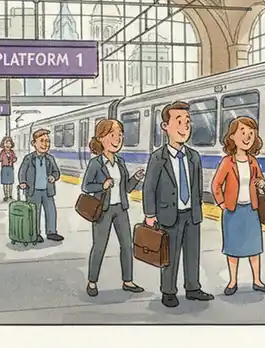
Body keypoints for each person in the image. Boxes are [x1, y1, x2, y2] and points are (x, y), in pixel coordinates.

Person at [143, 101, 215, 308]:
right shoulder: (158, 158)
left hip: (191, 215)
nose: (185, 127)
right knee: (169, 256)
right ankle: (168, 291)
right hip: (168, 215)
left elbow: (197, 186)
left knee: (192, 254)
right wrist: (150, 214)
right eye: (179, 121)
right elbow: (149, 187)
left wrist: (197, 209)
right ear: (165, 126)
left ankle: (193, 288)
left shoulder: (194, 157)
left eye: (188, 122)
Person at [81, 119, 146, 297]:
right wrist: (102, 186)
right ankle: (92, 282)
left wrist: (136, 178)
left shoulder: (120, 162)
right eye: (112, 135)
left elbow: (126, 188)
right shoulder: (96, 163)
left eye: (120, 135)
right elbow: (86, 186)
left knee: (126, 245)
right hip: (103, 210)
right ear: (101, 138)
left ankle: (128, 281)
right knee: (99, 246)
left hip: (121, 209)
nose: (118, 138)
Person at [211, 117, 265, 296]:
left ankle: (257, 280)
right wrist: (222, 204)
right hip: (233, 211)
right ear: (232, 137)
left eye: (251, 134)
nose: (247, 137)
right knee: (233, 248)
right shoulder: (227, 162)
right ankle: (232, 281)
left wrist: (261, 184)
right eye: (243, 132)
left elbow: (261, 180)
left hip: (251, 210)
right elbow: (216, 184)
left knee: (255, 248)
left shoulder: (253, 161)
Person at [17, 129, 64, 242]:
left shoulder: (50, 158)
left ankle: (51, 232)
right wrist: (23, 182)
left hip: (48, 191)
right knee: (34, 213)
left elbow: (56, 172)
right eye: (41, 141)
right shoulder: (29, 158)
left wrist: (54, 177)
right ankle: (35, 233)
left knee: (51, 211)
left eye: (47, 141)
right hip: (33, 191)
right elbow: (22, 171)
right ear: (34, 143)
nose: (45, 144)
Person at [0, 136, 17, 202]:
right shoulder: (2, 152)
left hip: (10, 168)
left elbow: (15, 158)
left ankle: (10, 195)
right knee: (5, 183)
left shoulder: (12, 152)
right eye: (6, 143)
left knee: (11, 182)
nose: (8, 145)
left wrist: (13, 159)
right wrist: (4, 156)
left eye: (9, 143)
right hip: (4, 168)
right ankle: (6, 195)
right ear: (3, 144)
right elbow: (0, 159)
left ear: (11, 144)